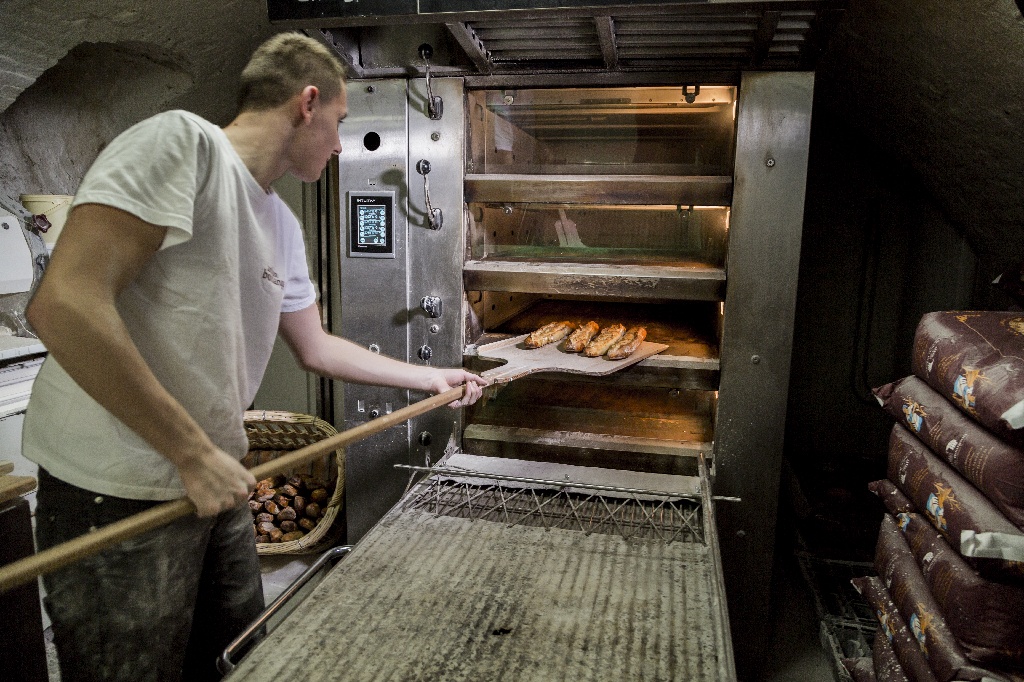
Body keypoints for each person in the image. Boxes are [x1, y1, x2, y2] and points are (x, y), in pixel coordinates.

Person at [22, 31, 487, 681]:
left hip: (213, 480)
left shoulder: (278, 223)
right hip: (119, 489)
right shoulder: (183, 145)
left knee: (238, 655)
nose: (340, 142)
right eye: (340, 124)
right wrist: (192, 453)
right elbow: (64, 304)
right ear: (307, 101)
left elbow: (316, 346)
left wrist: (430, 376)